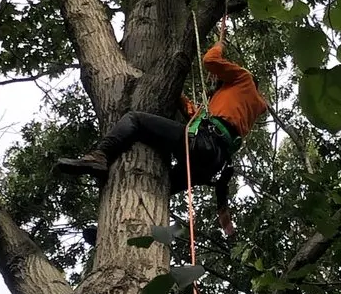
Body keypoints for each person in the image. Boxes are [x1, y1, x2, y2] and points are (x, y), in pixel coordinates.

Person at [57, 41, 267, 236]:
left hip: (203, 143)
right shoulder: (240, 108)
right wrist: (173, 91)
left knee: (135, 119)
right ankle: (118, 230)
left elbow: (210, 61)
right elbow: (192, 112)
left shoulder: (244, 78)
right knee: (158, 187)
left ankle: (100, 155)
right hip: (210, 161)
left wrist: (219, 45)